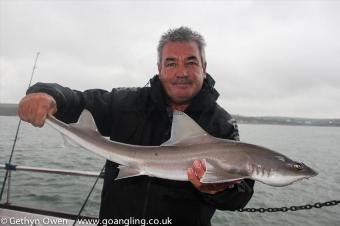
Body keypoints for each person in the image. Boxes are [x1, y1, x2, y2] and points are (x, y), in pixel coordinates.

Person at [18, 27, 254, 226]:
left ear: (204, 66)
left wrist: (218, 190)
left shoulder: (221, 124)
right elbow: (80, 101)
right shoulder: (126, 103)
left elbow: (240, 194)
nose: (181, 72)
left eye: (191, 62)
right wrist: (48, 94)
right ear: (159, 68)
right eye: (171, 63)